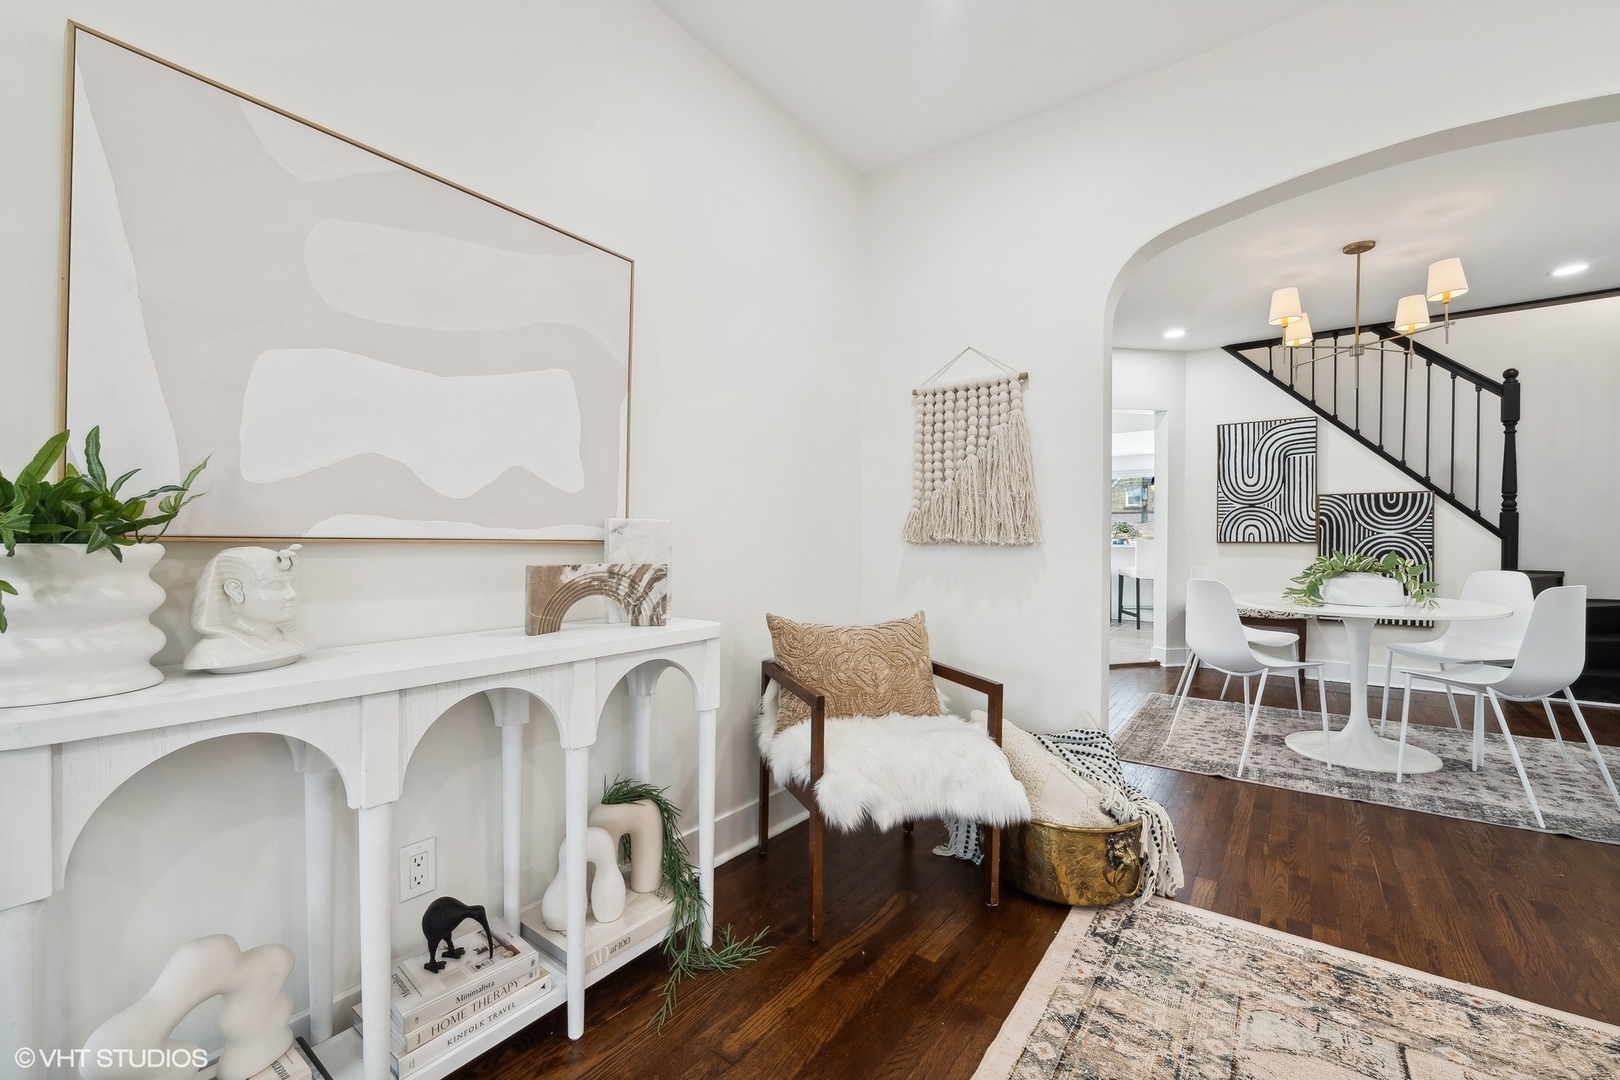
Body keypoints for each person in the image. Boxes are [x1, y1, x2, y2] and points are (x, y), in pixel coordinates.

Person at [183, 545, 306, 673]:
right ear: (236, 591)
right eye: (275, 586)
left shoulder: (294, 642)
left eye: (293, 584)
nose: (293, 594)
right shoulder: (211, 653)